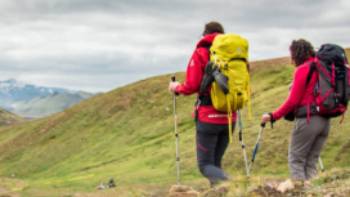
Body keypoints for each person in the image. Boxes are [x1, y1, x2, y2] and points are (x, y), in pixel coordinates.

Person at [168, 21, 236, 186]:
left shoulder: (201, 52)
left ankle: (234, 184)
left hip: (208, 116)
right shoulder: (233, 54)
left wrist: (177, 87)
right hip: (230, 116)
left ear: (205, 35)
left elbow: (192, 85)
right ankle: (219, 192)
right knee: (215, 163)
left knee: (205, 165)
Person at [261, 39, 330, 191]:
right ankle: (312, 192)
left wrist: (273, 116)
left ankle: (300, 192)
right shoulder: (321, 67)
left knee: (296, 159)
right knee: (311, 160)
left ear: (296, 53)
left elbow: (293, 101)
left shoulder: (303, 69)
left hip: (308, 120)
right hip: (325, 120)